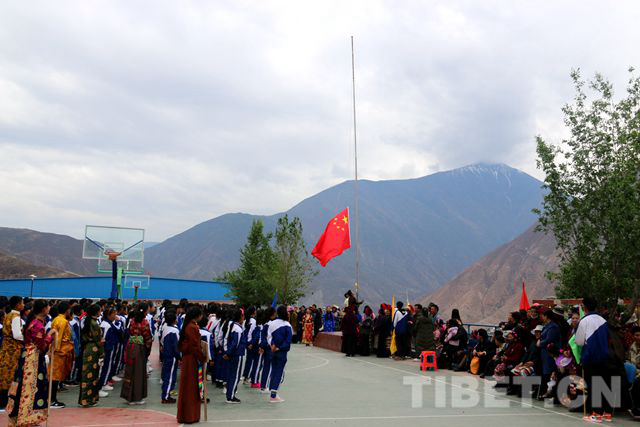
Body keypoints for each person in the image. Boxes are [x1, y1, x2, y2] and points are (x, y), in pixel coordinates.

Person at [6, 299, 56, 426]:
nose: (49, 308)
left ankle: (18, 417)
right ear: (44, 309)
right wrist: (50, 335)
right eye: (48, 307)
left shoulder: (33, 322)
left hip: (26, 356)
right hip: (33, 359)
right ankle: (27, 418)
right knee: (31, 387)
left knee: (22, 385)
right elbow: (42, 346)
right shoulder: (38, 325)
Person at [575, 296, 611, 422]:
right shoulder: (603, 320)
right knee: (604, 383)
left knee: (593, 385)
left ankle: (597, 414)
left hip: (590, 357)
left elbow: (579, 341)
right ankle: (607, 413)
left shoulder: (584, 321)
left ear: (584, 307)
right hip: (604, 356)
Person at [177, 306, 205, 424]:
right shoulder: (192, 327)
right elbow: (194, 346)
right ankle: (190, 415)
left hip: (188, 358)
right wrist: (202, 357)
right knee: (191, 387)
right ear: (197, 316)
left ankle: (187, 415)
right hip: (192, 359)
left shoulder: (188, 325)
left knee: (188, 386)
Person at [121, 303, 152, 405]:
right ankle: (137, 397)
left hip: (130, 347)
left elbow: (129, 332)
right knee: (138, 372)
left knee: (130, 371)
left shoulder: (132, 321)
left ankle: (129, 397)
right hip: (139, 348)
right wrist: (147, 349)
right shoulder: (145, 322)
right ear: (145, 311)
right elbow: (147, 338)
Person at [0, 296, 25, 410]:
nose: (23, 305)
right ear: (18, 305)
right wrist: (27, 338)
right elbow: (17, 335)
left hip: (6, 347)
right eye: (22, 303)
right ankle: (5, 401)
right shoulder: (15, 317)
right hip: (13, 349)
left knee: (4, 372)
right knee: (11, 374)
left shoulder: (8, 315)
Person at [79, 304, 104, 407]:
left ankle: (86, 398)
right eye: (100, 310)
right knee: (92, 375)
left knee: (87, 373)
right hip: (94, 349)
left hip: (87, 348)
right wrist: (102, 352)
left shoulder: (87, 321)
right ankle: (88, 399)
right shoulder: (94, 323)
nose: (100, 312)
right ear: (96, 312)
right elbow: (98, 339)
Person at [50, 301, 74, 408]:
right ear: (67, 310)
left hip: (55, 349)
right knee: (55, 376)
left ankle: (52, 399)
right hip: (60, 351)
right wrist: (58, 350)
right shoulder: (63, 321)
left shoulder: (56, 319)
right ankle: (52, 400)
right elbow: (58, 338)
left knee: (53, 376)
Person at [267, 305, 293, 403]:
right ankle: (273, 395)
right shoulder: (287, 325)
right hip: (281, 352)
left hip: (272, 351)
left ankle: (271, 391)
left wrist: (272, 345)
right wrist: (279, 347)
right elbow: (288, 341)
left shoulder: (272, 323)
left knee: (273, 370)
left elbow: (268, 336)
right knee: (279, 372)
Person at [223, 308, 247, 404]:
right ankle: (231, 396)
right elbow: (235, 343)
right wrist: (229, 353)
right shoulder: (238, 328)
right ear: (240, 317)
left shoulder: (231, 325)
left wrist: (226, 352)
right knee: (235, 375)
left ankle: (229, 394)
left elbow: (226, 339)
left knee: (231, 374)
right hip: (237, 354)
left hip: (231, 354)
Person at [537, 309, 561, 399]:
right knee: (545, 371)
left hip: (550, 352)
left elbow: (549, 339)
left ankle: (550, 392)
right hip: (544, 352)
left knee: (549, 371)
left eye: (543, 315)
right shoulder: (546, 326)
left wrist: (540, 343)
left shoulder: (553, 327)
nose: (541, 317)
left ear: (546, 316)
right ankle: (546, 391)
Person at [98, 308, 120, 396]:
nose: (115, 316)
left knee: (106, 366)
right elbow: (102, 338)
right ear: (108, 315)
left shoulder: (108, 323)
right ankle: (101, 385)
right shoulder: (106, 325)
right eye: (113, 314)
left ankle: (104, 382)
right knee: (105, 367)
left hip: (108, 348)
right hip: (106, 349)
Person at [160, 311, 180, 404]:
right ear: (174, 320)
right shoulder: (175, 331)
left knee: (167, 375)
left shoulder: (165, 328)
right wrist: (179, 357)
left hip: (166, 355)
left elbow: (162, 341)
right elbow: (176, 346)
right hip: (172, 357)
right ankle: (166, 397)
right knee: (170, 377)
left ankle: (166, 394)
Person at [259, 307, 277, 393]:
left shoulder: (265, 323)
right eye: (275, 312)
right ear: (272, 314)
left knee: (266, 367)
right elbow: (269, 336)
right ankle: (265, 386)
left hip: (265, 346)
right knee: (269, 367)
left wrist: (262, 346)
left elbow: (263, 336)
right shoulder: (271, 324)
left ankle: (263, 385)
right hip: (269, 347)